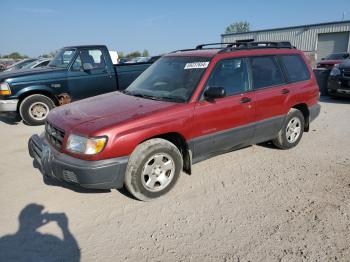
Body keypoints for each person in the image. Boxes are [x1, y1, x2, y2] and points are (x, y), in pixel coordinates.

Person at [0, 203, 80, 261]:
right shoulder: (50, 238)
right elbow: (74, 256)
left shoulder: (4, 242)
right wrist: (65, 228)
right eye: (40, 215)